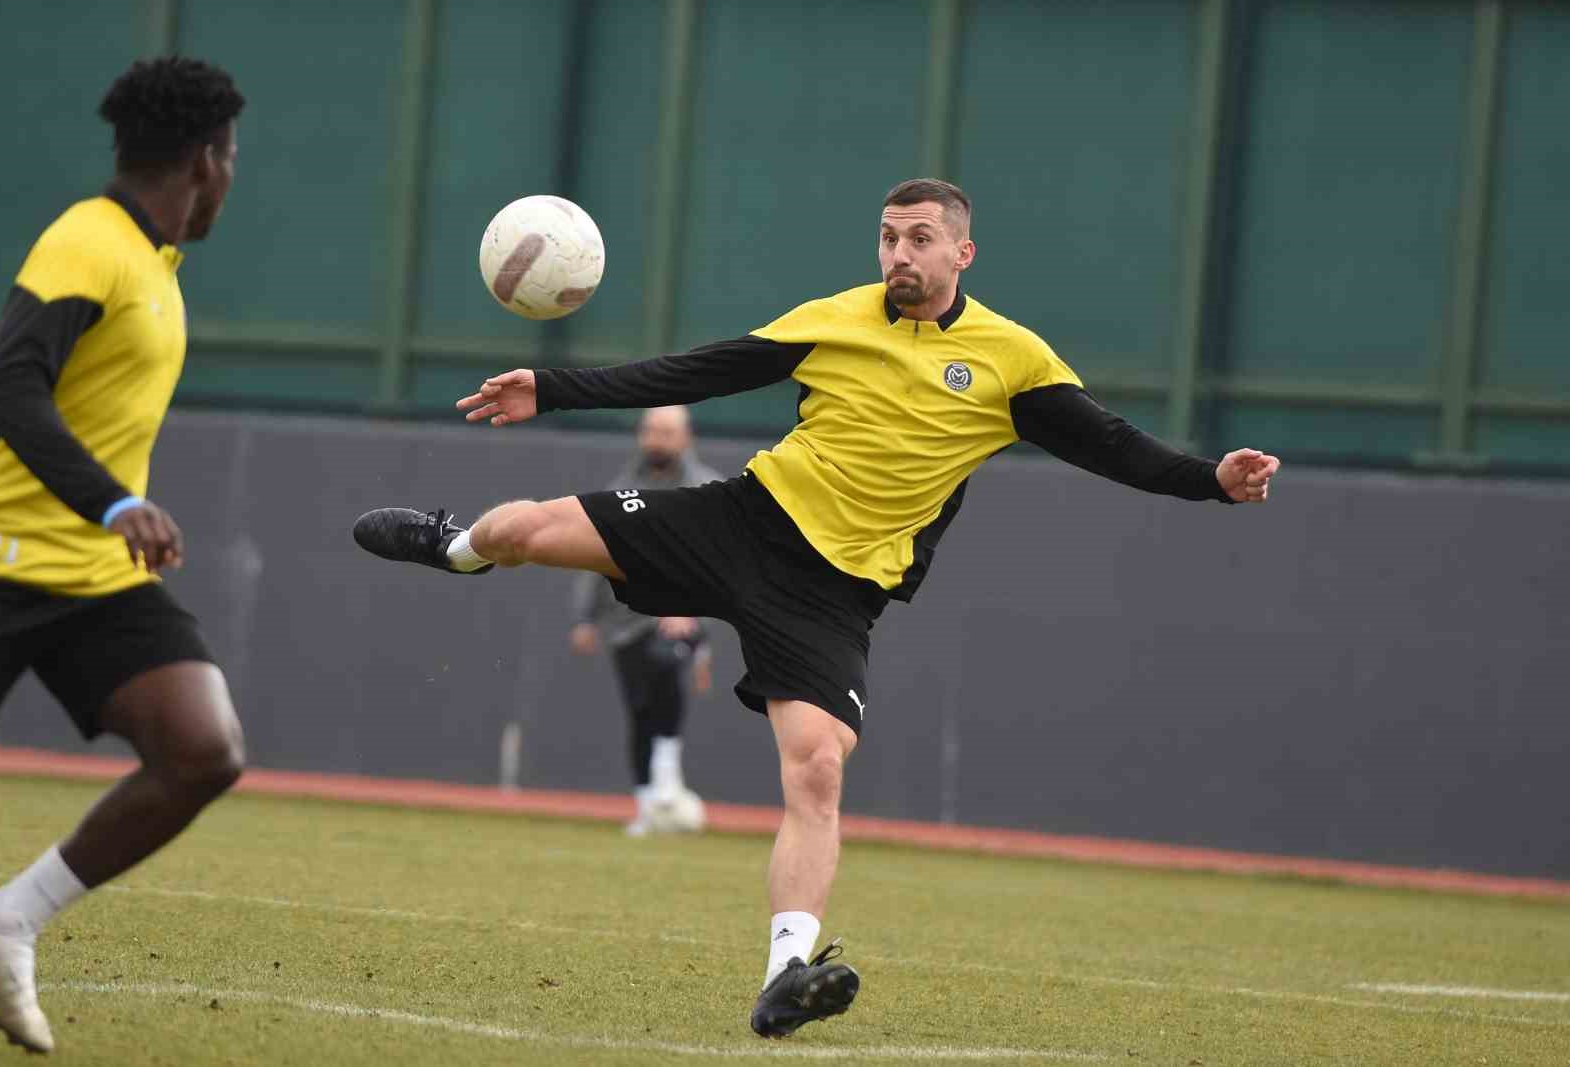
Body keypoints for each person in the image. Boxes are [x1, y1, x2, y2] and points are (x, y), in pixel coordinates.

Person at [353, 178, 1280, 1039]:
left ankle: (785, 976)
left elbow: (1110, 445)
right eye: (887, 238)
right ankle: (455, 546)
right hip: (742, 520)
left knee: (819, 770)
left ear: (963, 254)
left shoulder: (1012, 360)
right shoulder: (836, 319)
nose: (898, 255)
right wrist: (550, 389)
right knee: (523, 527)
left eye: (920, 238)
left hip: (831, 594)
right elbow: (698, 371)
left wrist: (1211, 480)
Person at [0, 57, 246, 1054]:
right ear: (207, 160)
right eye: (233, 159)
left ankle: (5, 917)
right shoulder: (85, 243)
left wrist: (108, 515)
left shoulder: (149, 261)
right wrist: (117, 500)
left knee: (202, 748)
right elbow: (6, 388)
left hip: (89, 574)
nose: (231, 178)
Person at [567, 406, 722, 836]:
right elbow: (592, 551)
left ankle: (668, 776)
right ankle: (646, 807)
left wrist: (689, 608)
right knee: (638, 709)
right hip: (625, 618)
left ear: (686, 437)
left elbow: (719, 559)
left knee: (668, 665)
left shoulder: (704, 486)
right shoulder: (623, 487)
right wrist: (585, 618)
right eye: (652, 430)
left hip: (679, 615)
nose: (659, 439)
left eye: (668, 432)